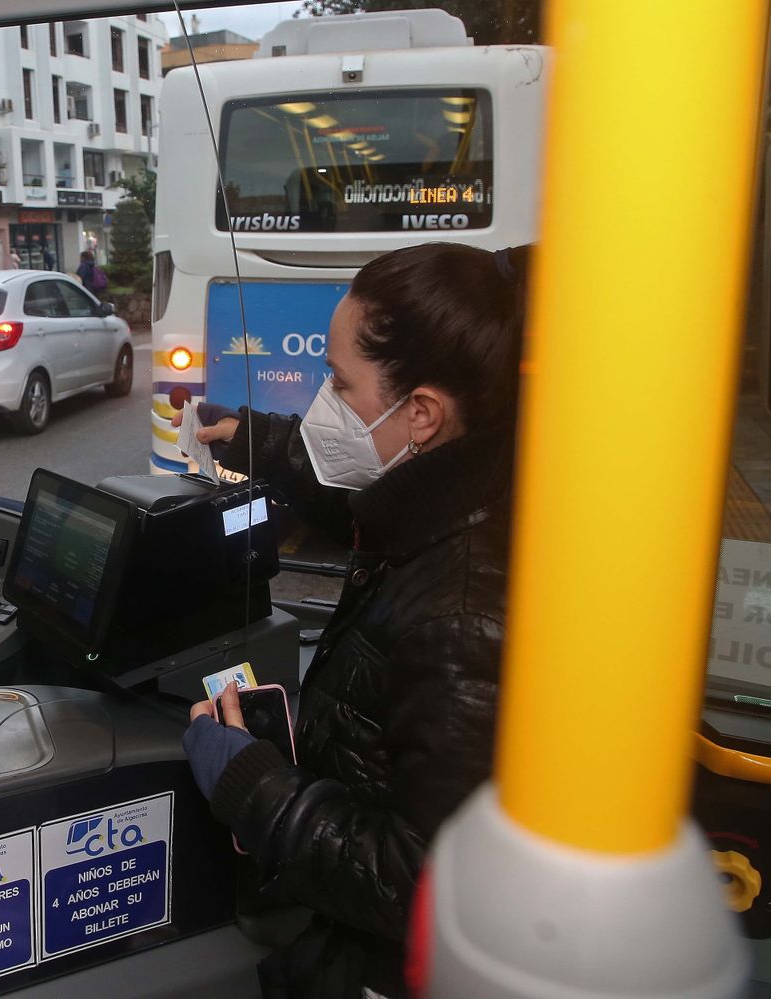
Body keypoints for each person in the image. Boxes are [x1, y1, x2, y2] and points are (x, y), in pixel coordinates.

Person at [176, 242, 531, 999]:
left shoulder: (462, 617)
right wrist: (258, 441)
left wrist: (256, 786)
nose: (321, 399)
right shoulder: (458, 494)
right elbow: (360, 498)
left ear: (424, 414)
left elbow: (421, 882)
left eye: (338, 381)